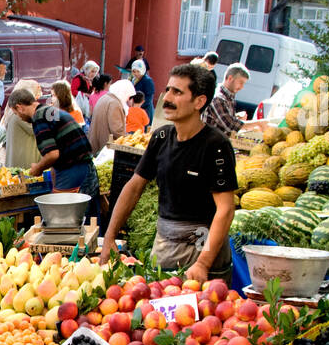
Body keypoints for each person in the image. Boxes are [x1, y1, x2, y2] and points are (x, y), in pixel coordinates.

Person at [100, 64, 236, 283]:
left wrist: (203, 263)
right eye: (168, 89)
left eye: (177, 92)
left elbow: (226, 209)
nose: (167, 98)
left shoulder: (216, 145)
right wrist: (109, 237)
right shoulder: (161, 137)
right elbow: (134, 187)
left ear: (199, 102)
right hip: (165, 245)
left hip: (203, 245)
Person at [12, 86, 101, 223]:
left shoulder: (39, 118)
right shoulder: (51, 111)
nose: (21, 118)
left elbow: (53, 154)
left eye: (17, 114)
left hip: (73, 172)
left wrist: (38, 168)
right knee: (90, 222)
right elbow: (62, 144)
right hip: (87, 169)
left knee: (63, 221)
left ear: (20, 107)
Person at [0, 79, 42, 170]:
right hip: (23, 163)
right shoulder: (20, 111)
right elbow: (35, 129)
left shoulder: (12, 110)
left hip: (15, 162)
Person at [203, 63, 250, 136]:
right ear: (230, 78)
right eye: (241, 82)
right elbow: (230, 126)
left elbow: (222, 118)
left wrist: (237, 117)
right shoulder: (218, 97)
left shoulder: (229, 96)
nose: (242, 87)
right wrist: (259, 123)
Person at [87, 77, 128, 154]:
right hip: (105, 146)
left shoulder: (105, 97)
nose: (128, 99)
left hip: (96, 142)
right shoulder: (114, 103)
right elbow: (116, 129)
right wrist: (127, 139)